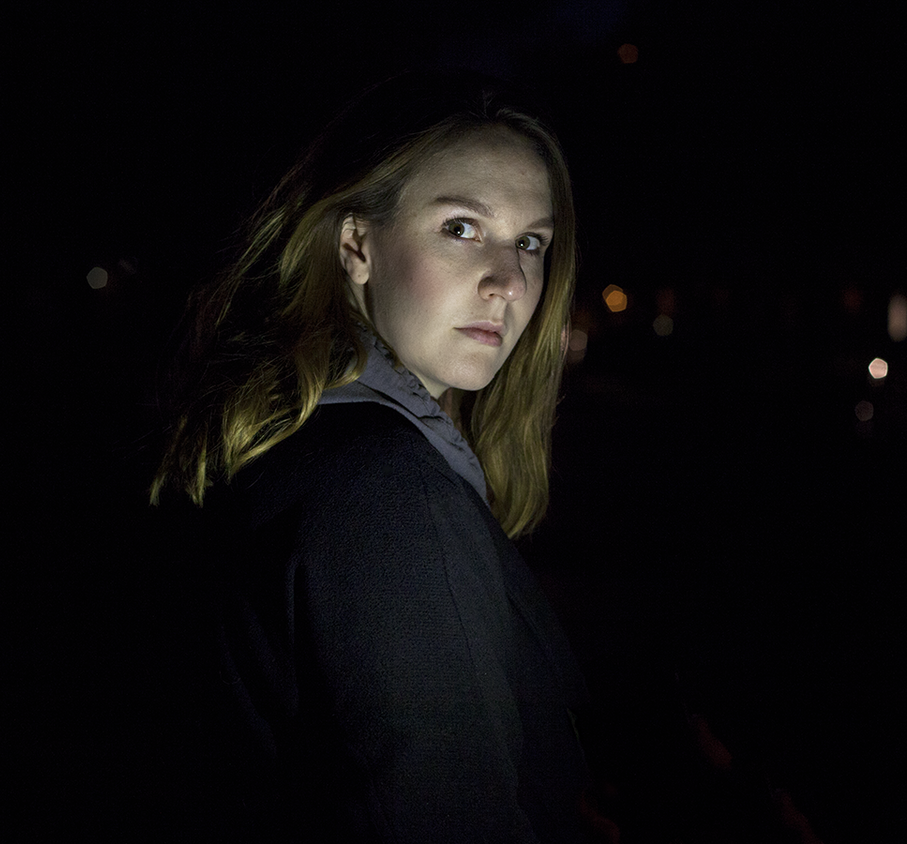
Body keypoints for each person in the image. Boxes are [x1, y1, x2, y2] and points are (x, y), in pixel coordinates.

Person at [152, 72, 598, 842]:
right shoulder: (392, 498)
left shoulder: (296, 439)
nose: (509, 280)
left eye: (531, 242)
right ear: (357, 245)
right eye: (462, 228)